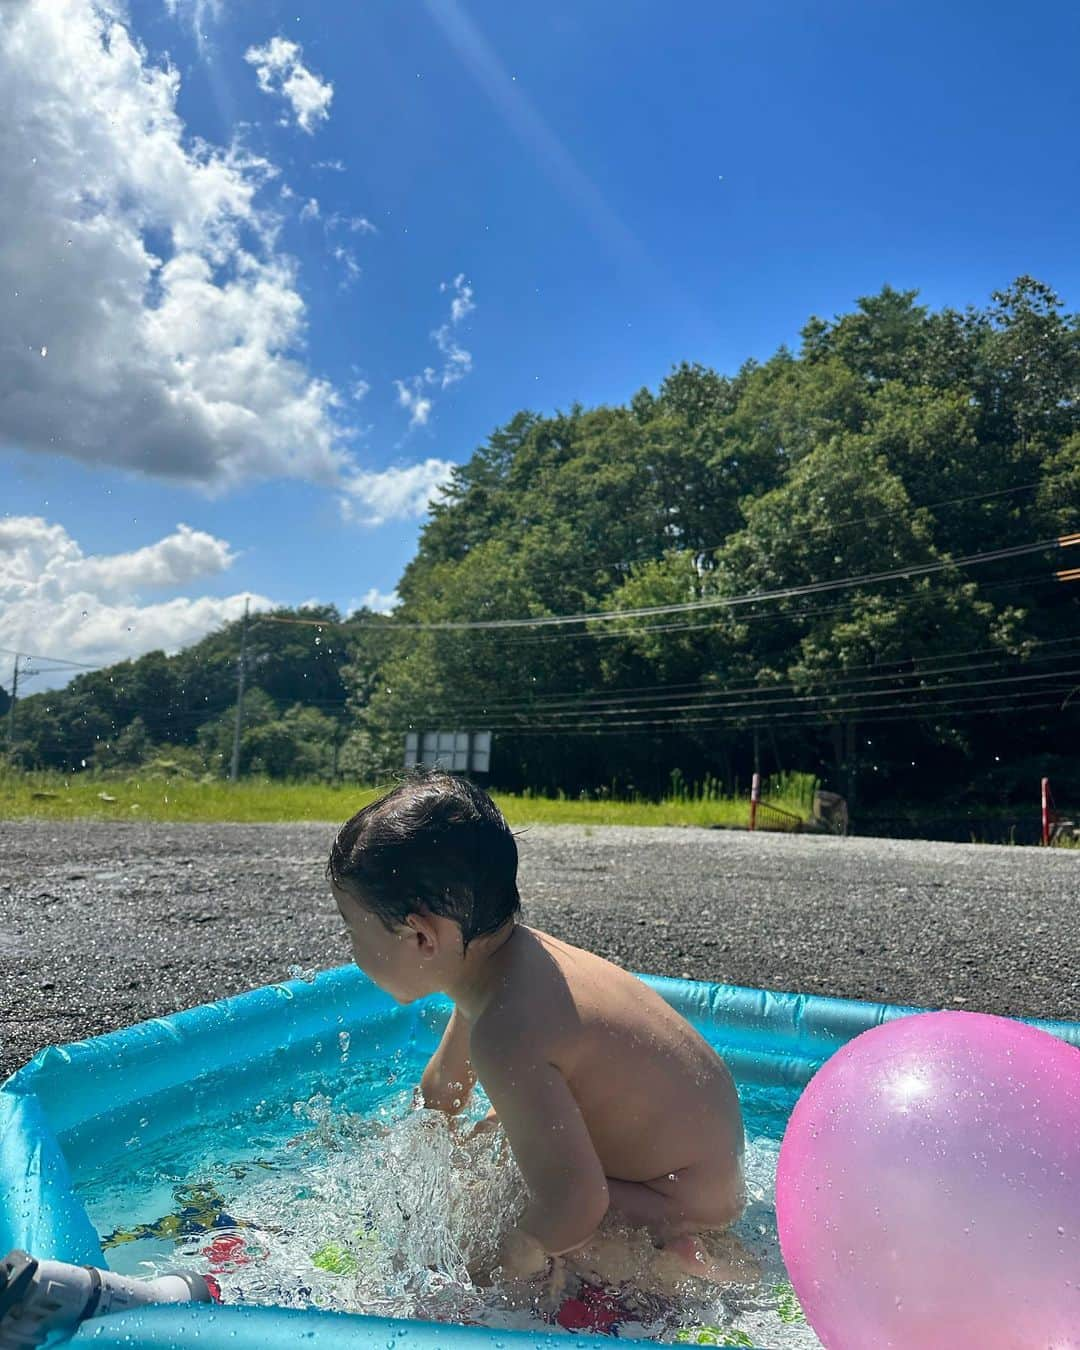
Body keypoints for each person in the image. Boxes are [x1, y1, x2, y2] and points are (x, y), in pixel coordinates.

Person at [326, 766, 758, 1289]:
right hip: (703, 1171)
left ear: (420, 936)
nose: (351, 950)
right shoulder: (510, 966)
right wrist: (422, 1141)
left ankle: (676, 1264)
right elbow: (444, 1090)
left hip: (679, 1203)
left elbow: (577, 1200)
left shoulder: (508, 1034)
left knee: (500, 1221)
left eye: (353, 929)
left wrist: (509, 1267)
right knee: (496, 1145)